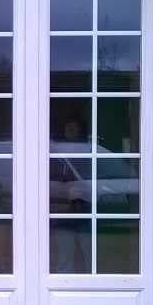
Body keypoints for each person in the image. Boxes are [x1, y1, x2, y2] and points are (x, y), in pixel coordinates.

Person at [51, 114, 92, 274]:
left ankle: (92, 281)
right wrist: (64, 190)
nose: (71, 129)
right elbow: (49, 179)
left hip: (84, 210)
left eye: (75, 126)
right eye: (68, 126)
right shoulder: (55, 152)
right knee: (65, 253)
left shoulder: (88, 152)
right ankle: (63, 283)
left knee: (90, 253)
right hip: (63, 212)